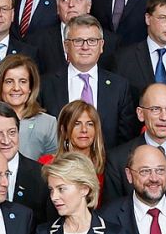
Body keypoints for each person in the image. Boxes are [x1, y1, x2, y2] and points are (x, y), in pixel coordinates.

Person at [40, 15, 135, 147]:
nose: (85, 47)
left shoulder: (119, 87)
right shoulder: (46, 85)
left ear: (101, 45)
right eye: (78, 41)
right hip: (59, 163)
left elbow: (126, 139)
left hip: (106, 165)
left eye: (92, 40)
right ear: (66, 46)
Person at [0, 55, 56, 160]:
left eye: (23, 81)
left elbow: (54, 167)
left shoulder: (48, 123)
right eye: (9, 81)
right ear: (0, 85)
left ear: (30, 87)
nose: (16, 88)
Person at [27, 0, 118, 74]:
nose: (71, 4)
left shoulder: (110, 41)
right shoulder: (37, 41)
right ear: (58, 8)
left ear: (88, 6)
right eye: (65, 0)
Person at [39, 99, 106, 180]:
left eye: (90, 124)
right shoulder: (46, 163)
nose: (84, 130)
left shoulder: (108, 166)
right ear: (64, 130)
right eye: (76, 124)